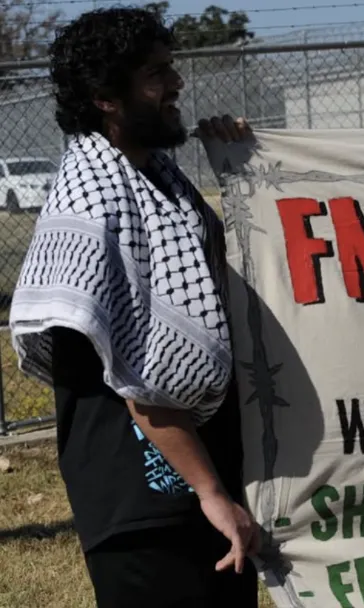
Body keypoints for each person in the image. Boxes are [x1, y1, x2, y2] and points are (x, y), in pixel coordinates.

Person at [9, 7, 260, 607]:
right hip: (142, 505)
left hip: (205, 477)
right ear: (104, 98)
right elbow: (141, 371)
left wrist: (245, 159)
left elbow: (206, 286)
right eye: (156, 74)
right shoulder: (92, 205)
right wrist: (210, 493)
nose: (176, 84)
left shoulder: (157, 177)